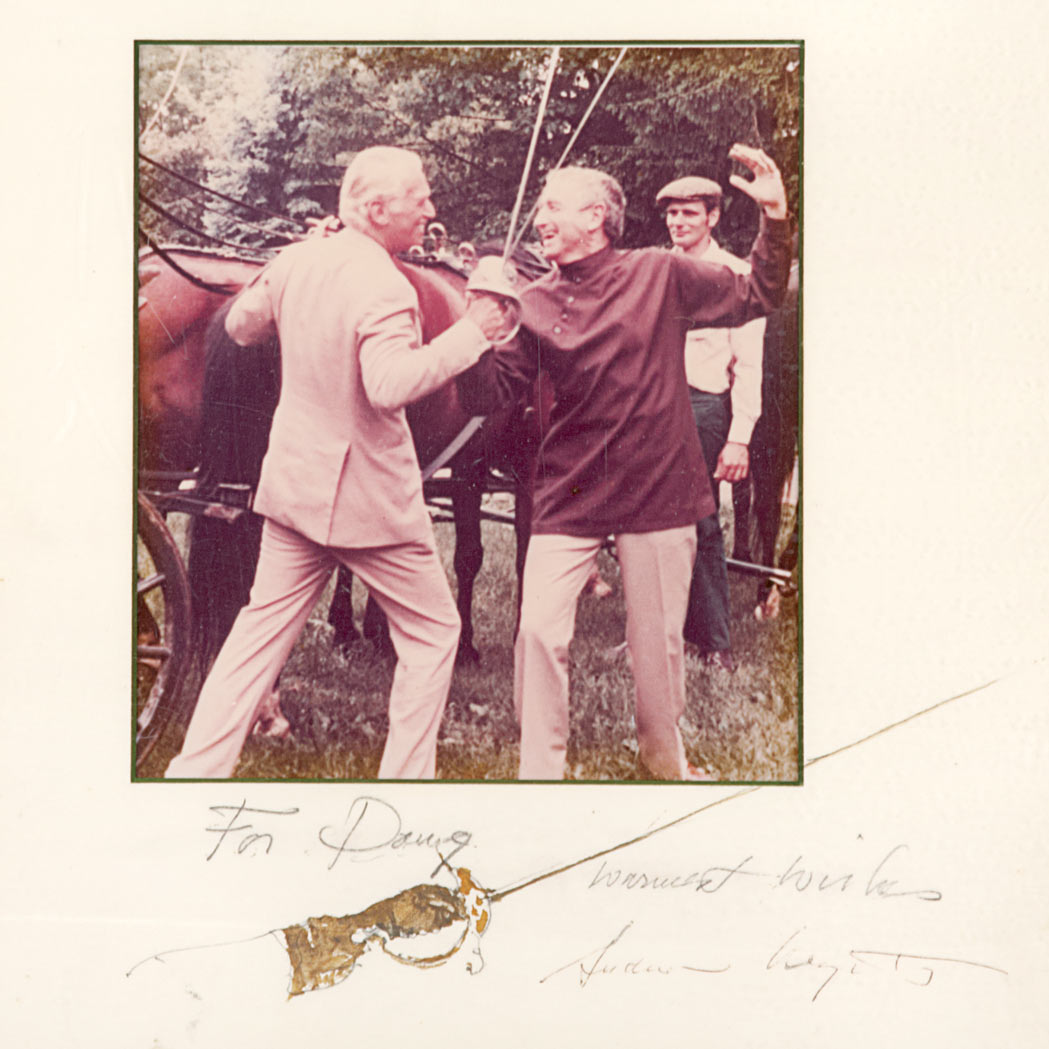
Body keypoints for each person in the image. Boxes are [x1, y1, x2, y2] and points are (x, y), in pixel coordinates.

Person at [165, 146, 509, 779]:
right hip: (368, 503)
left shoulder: (298, 257)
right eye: (420, 197)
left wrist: (295, 274)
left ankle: (192, 774)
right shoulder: (387, 284)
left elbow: (241, 326)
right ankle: (405, 789)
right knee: (436, 634)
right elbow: (389, 386)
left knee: (254, 639)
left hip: (292, 489)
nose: (430, 210)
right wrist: (471, 333)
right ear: (376, 209)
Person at [457, 144, 792, 780]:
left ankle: (666, 766)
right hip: (569, 488)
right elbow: (489, 398)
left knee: (658, 644)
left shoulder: (658, 273)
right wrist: (480, 333)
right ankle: (539, 775)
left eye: (554, 206)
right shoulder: (531, 302)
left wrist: (774, 219)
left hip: (659, 483)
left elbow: (759, 294)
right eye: (542, 206)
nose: (540, 218)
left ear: (598, 218)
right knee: (537, 632)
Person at [656, 175, 767, 672]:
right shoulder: (655, 271)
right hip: (652, 407)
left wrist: (739, 437)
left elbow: (749, 365)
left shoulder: (737, 276)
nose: (679, 223)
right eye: (672, 214)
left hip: (703, 408)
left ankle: (716, 642)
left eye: (690, 214)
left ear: (713, 218)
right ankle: (662, 632)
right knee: (652, 522)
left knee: (701, 521)